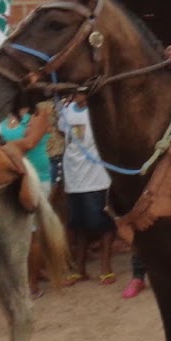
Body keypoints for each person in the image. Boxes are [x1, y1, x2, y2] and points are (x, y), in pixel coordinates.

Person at [0, 102, 56, 298]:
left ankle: (32, 284)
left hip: (36, 176)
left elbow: (31, 143)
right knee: (16, 232)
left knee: (32, 233)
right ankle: (21, 281)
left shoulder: (38, 112)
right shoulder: (7, 115)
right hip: (13, 176)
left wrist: (3, 147)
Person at [58, 94, 114, 285]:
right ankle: (79, 268)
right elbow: (62, 133)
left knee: (104, 222)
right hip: (74, 177)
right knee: (77, 223)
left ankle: (106, 267)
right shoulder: (65, 110)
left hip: (97, 176)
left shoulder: (98, 110)